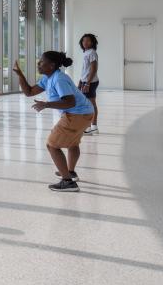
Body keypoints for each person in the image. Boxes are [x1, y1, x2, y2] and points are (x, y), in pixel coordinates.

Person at [12, 52, 94, 192]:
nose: (38, 64)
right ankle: (70, 172)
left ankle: (67, 182)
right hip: (85, 113)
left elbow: (70, 102)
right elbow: (29, 92)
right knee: (73, 143)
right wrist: (20, 75)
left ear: (51, 65)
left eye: (41, 62)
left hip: (77, 114)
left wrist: (46, 104)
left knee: (52, 145)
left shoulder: (59, 79)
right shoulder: (48, 78)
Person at [78, 34, 100, 134]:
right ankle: (92, 126)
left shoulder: (92, 52)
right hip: (86, 81)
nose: (85, 42)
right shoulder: (86, 52)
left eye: (88, 41)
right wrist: (81, 82)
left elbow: (93, 69)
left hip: (90, 82)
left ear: (92, 42)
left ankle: (90, 127)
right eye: (83, 41)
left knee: (89, 105)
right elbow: (85, 70)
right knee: (89, 104)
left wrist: (87, 84)